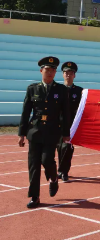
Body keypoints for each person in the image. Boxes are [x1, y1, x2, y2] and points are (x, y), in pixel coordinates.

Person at [18, 57, 70, 209]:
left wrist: (66, 133)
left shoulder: (61, 90)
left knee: (47, 160)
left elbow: (65, 114)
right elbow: (25, 112)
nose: (51, 72)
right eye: (48, 69)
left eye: (53, 70)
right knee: (33, 165)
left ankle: (53, 179)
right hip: (34, 132)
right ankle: (35, 196)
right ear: (41, 71)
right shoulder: (32, 89)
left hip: (52, 132)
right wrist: (21, 134)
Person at [57, 62, 83, 183]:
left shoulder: (79, 91)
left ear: (74, 76)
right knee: (59, 148)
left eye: (71, 73)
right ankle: (60, 170)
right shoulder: (56, 89)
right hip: (57, 124)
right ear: (63, 74)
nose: (68, 75)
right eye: (66, 72)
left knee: (67, 148)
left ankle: (64, 171)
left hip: (71, 125)